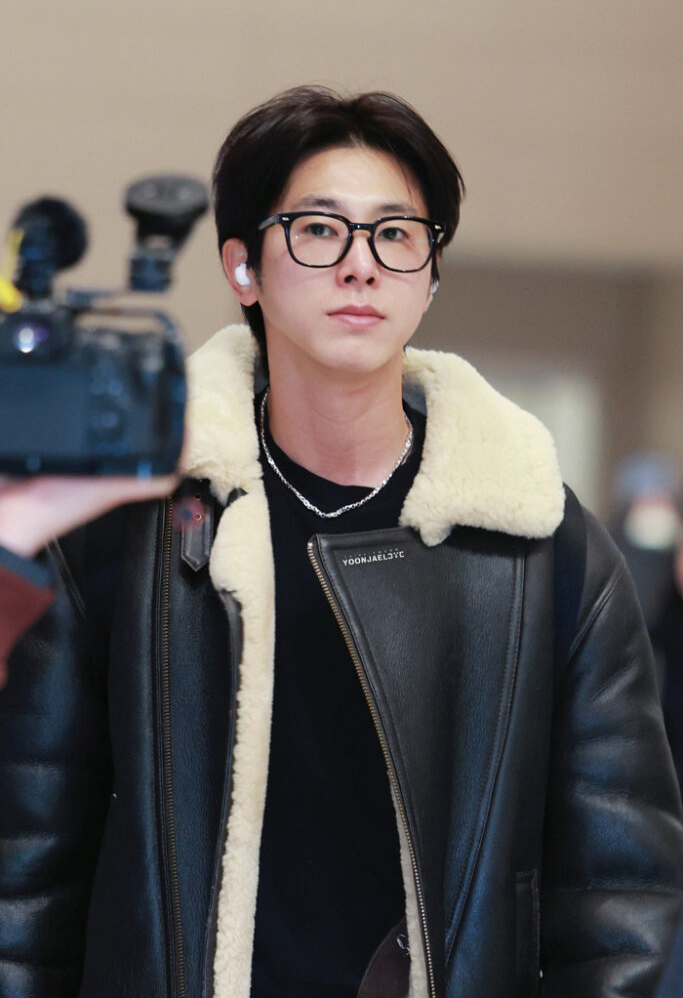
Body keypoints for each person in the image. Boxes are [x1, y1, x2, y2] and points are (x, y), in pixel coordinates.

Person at [1, 86, 682, 998]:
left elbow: (619, 891)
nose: (361, 265)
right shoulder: (129, 527)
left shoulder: (539, 542)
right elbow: (26, 872)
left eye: (396, 235)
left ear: (429, 277)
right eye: (319, 230)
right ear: (243, 267)